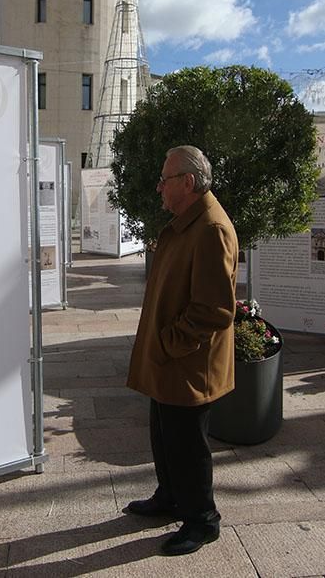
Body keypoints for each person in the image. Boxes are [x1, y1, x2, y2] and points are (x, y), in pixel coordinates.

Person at [124, 146, 238, 556]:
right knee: (165, 435)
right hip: (169, 360)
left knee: (188, 445)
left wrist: (170, 343)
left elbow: (214, 310)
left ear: (187, 182)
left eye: (165, 179)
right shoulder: (186, 223)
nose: (159, 187)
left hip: (187, 364)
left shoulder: (210, 229)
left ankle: (202, 521)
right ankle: (170, 497)